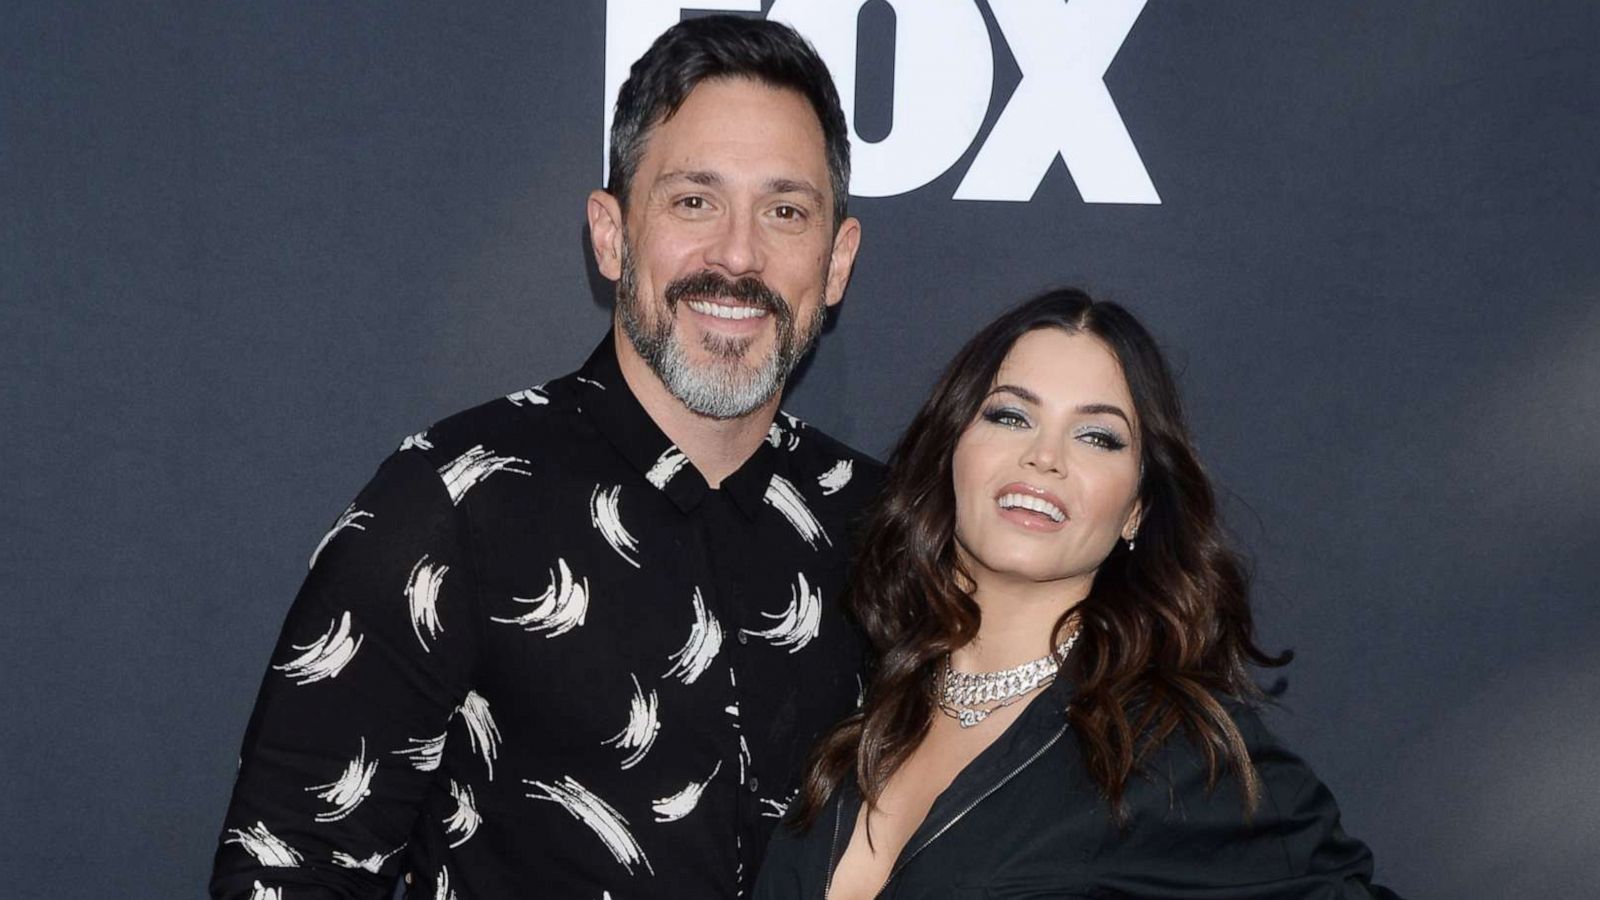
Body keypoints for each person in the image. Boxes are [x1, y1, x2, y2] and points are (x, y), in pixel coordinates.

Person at [211, 16, 879, 900]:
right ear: (610, 235)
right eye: (693, 201)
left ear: (836, 263)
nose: (737, 254)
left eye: (785, 211)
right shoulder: (453, 503)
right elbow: (289, 872)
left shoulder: (886, 527)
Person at [755, 289, 1401, 899]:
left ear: (1136, 511)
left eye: (1097, 436)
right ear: (951, 451)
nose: (1045, 457)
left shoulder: (1174, 753)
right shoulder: (861, 712)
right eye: (1011, 415)